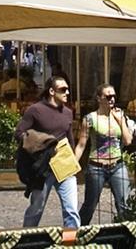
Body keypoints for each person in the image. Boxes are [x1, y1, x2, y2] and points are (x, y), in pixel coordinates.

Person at [16, 74, 80, 230]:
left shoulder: (67, 112)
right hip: (43, 167)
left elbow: (69, 137)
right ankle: (27, 240)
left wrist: (73, 159)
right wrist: (42, 143)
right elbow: (19, 133)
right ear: (52, 91)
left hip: (64, 165)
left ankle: (73, 242)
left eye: (68, 89)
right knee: (36, 208)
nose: (67, 93)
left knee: (71, 209)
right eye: (63, 89)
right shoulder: (35, 110)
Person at [79, 84, 135, 224]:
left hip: (117, 165)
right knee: (90, 205)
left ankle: (127, 239)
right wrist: (72, 166)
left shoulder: (119, 115)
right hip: (96, 166)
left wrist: (121, 119)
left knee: (125, 205)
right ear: (99, 98)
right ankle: (76, 234)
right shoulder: (90, 119)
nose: (112, 99)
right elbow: (81, 145)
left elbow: (128, 141)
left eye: (114, 96)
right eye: (108, 96)